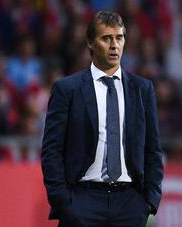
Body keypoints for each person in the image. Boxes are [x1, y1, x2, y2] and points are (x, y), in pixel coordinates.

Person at [41, 10, 163, 226]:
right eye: (106, 38)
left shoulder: (142, 89)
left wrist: (149, 201)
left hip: (129, 202)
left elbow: (153, 149)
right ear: (90, 42)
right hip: (81, 200)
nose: (114, 45)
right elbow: (52, 150)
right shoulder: (67, 89)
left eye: (119, 37)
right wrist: (63, 201)